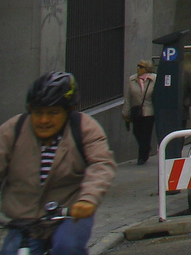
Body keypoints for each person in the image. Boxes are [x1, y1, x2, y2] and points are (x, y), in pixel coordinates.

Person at [0, 72, 117, 255]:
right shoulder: (14, 129)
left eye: (53, 113)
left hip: (70, 213)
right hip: (24, 217)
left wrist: (88, 199)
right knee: (10, 251)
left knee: (67, 248)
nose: (44, 120)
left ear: (68, 111)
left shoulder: (84, 128)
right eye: (38, 113)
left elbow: (101, 164)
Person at [121, 61, 157, 165]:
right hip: (136, 111)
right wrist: (125, 113)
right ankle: (146, 147)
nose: (138, 68)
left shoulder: (154, 79)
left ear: (147, 69)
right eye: (138, 66)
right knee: (136, 132)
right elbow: (128, 97)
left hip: (149, 111)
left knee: (146, 133)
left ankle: (142, 157)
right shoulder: (132, 79)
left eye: (141, 67)